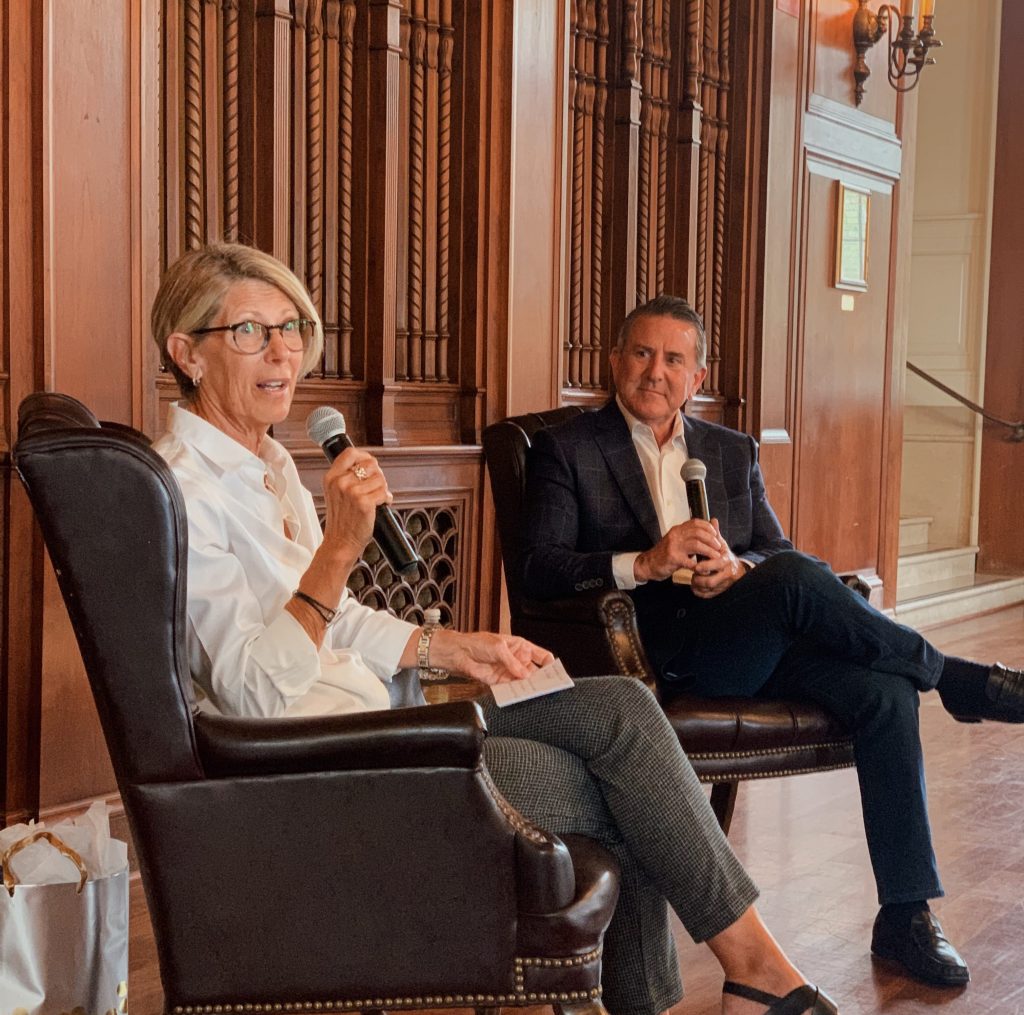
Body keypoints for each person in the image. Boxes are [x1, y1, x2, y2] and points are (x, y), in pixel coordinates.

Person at [149, 243, 840, 1015]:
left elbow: (330, 618)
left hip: (393, 706)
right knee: (621, 784)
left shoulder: (270, 460)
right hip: (347, 756)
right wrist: (341, 546)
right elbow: (254, 689)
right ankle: (745, 980)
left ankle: (746, 974)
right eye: (250, 331)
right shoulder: (178, 488)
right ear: (188, 352)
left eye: (291, 327)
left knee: (622, 710)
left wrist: (453, 646)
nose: (281, 351)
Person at [520, 293, 1024, 991]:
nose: (654, 371)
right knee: (797, 580)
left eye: (673, 358)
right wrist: (646, 560)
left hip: (752, 632)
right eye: (641, 353)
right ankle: (958, 680)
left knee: (881, 686)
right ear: (614, 361)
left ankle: (905, 912)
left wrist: (740, 568)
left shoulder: (731, 450)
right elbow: (538, 565)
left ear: (697, 376)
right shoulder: (567, 448)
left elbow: (775, 552)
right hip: (657, 648)